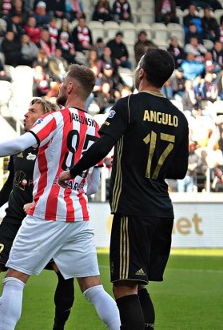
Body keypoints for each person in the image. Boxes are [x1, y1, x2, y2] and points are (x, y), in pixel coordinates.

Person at [0, 65, 121, 330]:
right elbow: (94, 185)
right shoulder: (96, 128)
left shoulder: (57, 118)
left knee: (14, 280)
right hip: (79, 214)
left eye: (63, 83)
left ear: (71, 87)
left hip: (47, 210)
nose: (60, 87)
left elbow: (18, 144)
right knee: (93, 287)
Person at [58, 49, 190, 330]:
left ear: (140, 72)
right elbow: (178, 171)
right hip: (162, 210)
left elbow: (102, 145)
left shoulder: (128, 105)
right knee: (139, 286)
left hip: (132, 208)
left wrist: (72, 170)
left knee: (125, 288)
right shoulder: (180, 117)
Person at [0, 98, 76, 330]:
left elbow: (62, 184)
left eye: (32, 111)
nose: (26, 114)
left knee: (65, 273)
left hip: (44, 222)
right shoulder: (19, 147)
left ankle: (58, 327)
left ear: (45, 118)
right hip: (13, 220)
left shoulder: (55, 149)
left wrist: (37, 202)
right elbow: (12, 182)